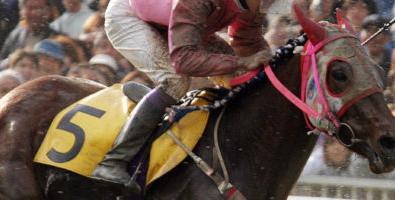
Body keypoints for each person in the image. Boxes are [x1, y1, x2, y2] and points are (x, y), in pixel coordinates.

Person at [93, 0, 276, 189]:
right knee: (176, 81)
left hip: (177, 18)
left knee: (237, 73)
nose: (270, 5)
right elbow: (183, 61)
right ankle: (112, 162)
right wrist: (241, 62)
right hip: (131, 16)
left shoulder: (254, 3)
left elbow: (246, 40)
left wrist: (269, 60)